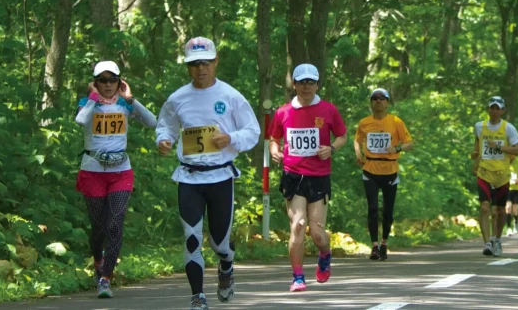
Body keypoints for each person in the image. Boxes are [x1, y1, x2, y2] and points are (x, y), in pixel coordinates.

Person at [156, 37, 260, 310]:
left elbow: (252, 131)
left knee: (219, 243)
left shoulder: (231, 96)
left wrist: (231, 138)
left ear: (216, 62)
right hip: (189, 177)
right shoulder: (177, 99)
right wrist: (163, 140)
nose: (200, 68)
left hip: (221, 177)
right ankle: (198, 296)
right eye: (194, 64)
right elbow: (164, 126)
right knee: (191, 237)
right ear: (188, 67)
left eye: (206, 62)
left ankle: (226, 264)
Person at [75, 60, 156, 299]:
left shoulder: (124, 105)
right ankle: (98, 261)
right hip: (92, 171)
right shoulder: (87, 104)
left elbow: (152, 121)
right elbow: (80, 121)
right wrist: (92, 98)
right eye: (103, 80)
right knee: (98, 226)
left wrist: (131, 99)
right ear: (96, 83)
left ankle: (106, 278)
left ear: (120, 82)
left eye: (112, 80)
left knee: (115, 224)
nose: (108, 85)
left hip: (121, 172)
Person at [269, 64, 348, 292]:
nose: (306, 87)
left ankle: (325, 253)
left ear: (317, 84)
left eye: (310, 82)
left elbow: (342, 136)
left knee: (317, 233)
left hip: (319, 176)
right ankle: (298, 277)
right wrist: (274, 150)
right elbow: (274, 138)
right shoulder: (283, 112)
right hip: (293, 175)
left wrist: (331, 148)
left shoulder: (328, 110)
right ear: (294, 84)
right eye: (301, 82)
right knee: (298, 225)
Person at [353, 87, 413, 262]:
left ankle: (384, 243)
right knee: (372, 208)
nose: (378, 101)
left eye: (382, 98)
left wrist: (397, 148)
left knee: (388, 211)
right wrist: (358, 154)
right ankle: (374, 246)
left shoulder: (396, 122)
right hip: (370, 169)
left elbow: (409, 143)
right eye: (375, 98)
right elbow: (357, 139)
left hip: (390, 170)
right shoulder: (364, 122)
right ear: (371, 103)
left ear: (387, 102)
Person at [471, 96, 518, 256]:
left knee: (500, 212)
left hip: (502, 176)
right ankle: (487, 243)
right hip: (484, 172)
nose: (493, 111)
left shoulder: (508, 129)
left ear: (502, 111)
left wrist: (500, 148)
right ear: (488, 109)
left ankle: (497, 240)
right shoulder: (479, 126)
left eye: (497, 108)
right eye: (491, 108)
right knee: (485, 208)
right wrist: (475, 155)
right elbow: (477, 146)